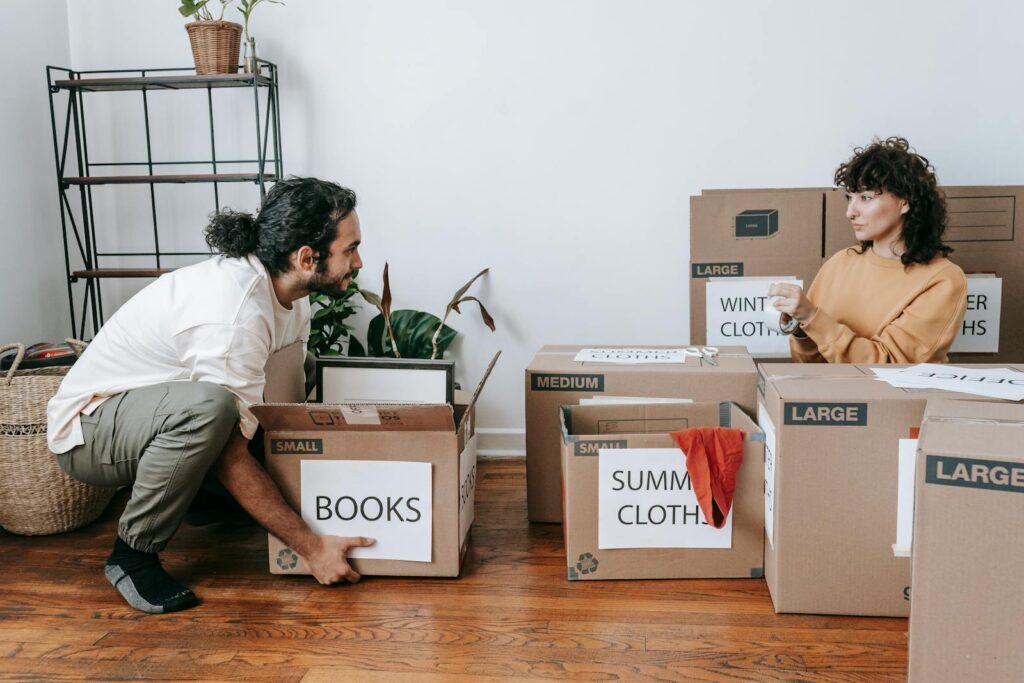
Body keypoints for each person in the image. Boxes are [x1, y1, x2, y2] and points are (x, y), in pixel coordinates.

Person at [47, 177, 375, 614]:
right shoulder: (235, 316)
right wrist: (311, 547)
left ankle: (201, 500)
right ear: (306, 258)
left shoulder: (292, 295)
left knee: (304, 369)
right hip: (90, 430)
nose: (359, 261)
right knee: (211, 409)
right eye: (349, 249)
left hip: (155, 410)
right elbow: (229, 451)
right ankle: (132, 555)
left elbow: (278, 397)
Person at [769, 137, 967, 363]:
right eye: (849, 198)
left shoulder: (943, 280)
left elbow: (890, 366)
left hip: (894, 397)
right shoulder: (840, 263)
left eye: (866, 198)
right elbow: (810, 363)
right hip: (832, 395)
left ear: (905, 202)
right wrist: (800, 327)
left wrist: (813, 318)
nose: (850, 212)